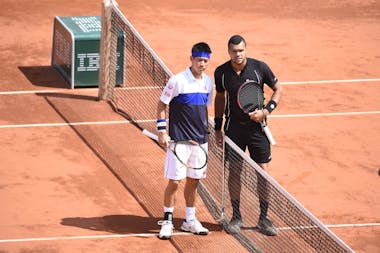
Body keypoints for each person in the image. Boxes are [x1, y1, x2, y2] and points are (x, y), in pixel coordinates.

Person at [213, 35, 282, 236]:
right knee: (235, 172)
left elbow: (278, 89)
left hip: (257, 130)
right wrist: (218, 127)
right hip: (234, 129)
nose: (238, 54)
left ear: (246, 49)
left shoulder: (260, 68)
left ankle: (264, 218)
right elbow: (219, 97)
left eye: (241, 50)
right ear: (229, 52)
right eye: (234, 51)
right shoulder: (222, 73)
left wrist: (266, 111)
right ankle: (236, 216)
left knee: (263, 172)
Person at [156, 42, 213, 240]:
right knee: (174, 182)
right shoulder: (177, 80)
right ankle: (168, 221)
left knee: (194, 182)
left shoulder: (209, 82)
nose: (202, 64)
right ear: (191, 59)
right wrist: (162, 131)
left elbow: (204, 110)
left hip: (200, 142)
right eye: (199, 60)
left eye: (206, 61)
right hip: (179, 142)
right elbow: (162, 104)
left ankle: (189, 220)